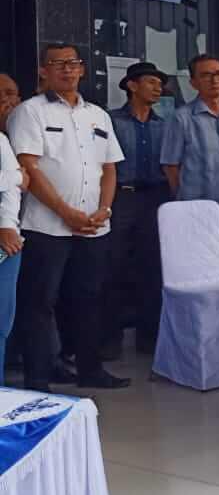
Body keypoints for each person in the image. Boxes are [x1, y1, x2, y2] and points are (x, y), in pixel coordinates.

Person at [9, 43, 130, 390]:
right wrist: (66, 212)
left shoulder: (98, 115)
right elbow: (29, 168)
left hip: (94, 226)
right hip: (46, 227)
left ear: (82, 69)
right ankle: (38, 378)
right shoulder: (30, 112)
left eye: (73, 63)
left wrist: (104, 209)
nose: (67, 69)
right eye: (57, 64)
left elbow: (109, 168)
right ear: (43, 71)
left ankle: (90, 370)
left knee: (89, 298)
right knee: (40, 303)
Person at [161, 54, 219, 272]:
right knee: (205, 274)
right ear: (193, 82)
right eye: (206, 75)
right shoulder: (181, 118)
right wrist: (185, 200)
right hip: (199, 215)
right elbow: (170, 165)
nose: (215, 80)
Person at [104, 61, 171, 357]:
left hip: (156, 197)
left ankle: (149, 337)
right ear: (132, 85)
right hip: (121, 196)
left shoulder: (164, 124)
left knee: (152, 268)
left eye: (160, 83)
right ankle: (110, 338)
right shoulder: (112, 121)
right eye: (151, 82)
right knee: (113, 266)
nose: (158, 88)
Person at [0, 128, 21, 373]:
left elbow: (13, 193)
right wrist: (13, 177)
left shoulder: (1, 140)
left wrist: (6, 224)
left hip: (4, 244)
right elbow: (17, 179)